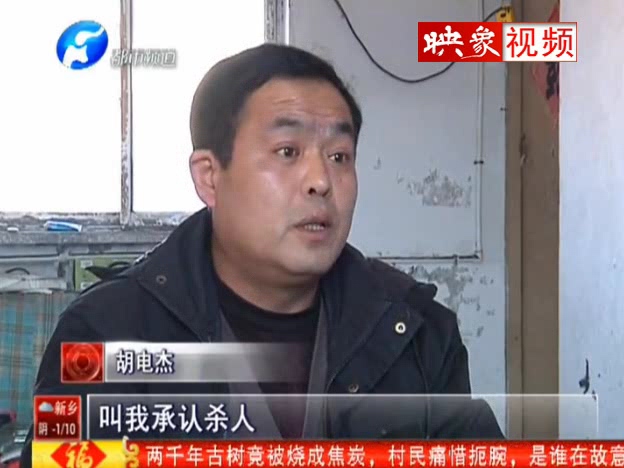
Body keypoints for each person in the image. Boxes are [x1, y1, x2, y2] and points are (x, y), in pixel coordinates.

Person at [21, 43, 502, 466]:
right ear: (210, 177)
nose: (321, 181)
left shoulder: (414, 332)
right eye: (288, 151)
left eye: (339, 156)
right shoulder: (106, 332)